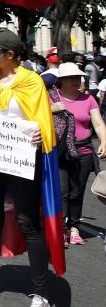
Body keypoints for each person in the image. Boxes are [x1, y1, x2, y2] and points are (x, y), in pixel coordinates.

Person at [0, 28, 62, 307]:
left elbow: (42, 120)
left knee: (28, 221)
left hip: (23, 158)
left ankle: (41, 291)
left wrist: (38, 135)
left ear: (10, 55)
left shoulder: (31, 81)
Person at [50, 62, 106, 246]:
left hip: (83, 151)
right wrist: (51, 110)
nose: (75, 81)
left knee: (77, 192)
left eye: (77, 78)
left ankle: (74, 227)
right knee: (62, 192)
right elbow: (36, 118)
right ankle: (62, 229)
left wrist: (104, 141)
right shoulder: (51, 98)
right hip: (60, 152)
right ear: (61, 81)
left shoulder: (88, 99)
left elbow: (97, 123)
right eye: (70, 78)